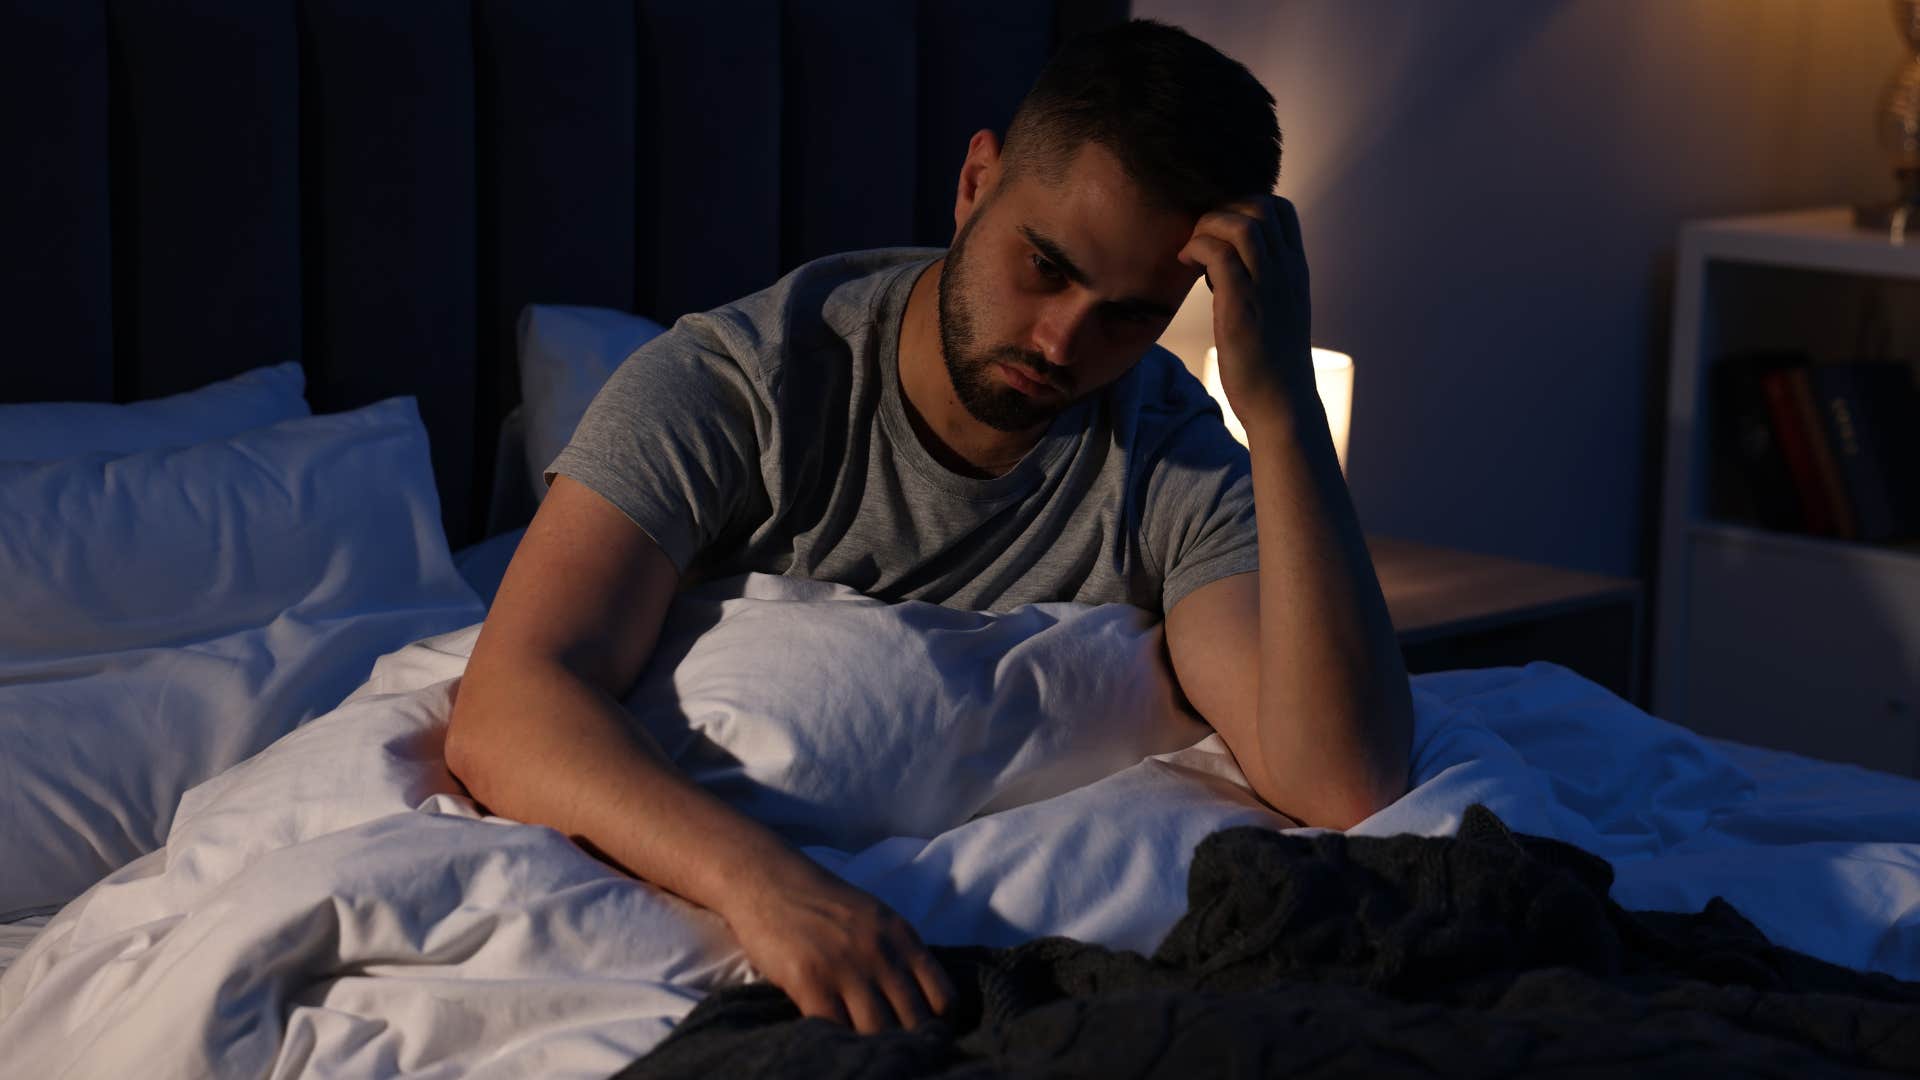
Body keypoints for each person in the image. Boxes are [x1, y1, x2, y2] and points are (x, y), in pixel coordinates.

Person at [445, 17, 1413, 1038]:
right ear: (975, 184)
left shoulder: (1168, 446)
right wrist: (768, 888)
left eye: (1128, 314)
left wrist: (1282, 412)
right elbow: (510, 704)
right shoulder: (733, 388)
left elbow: (1339, 784)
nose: (1061, 341)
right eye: (1044, 265)